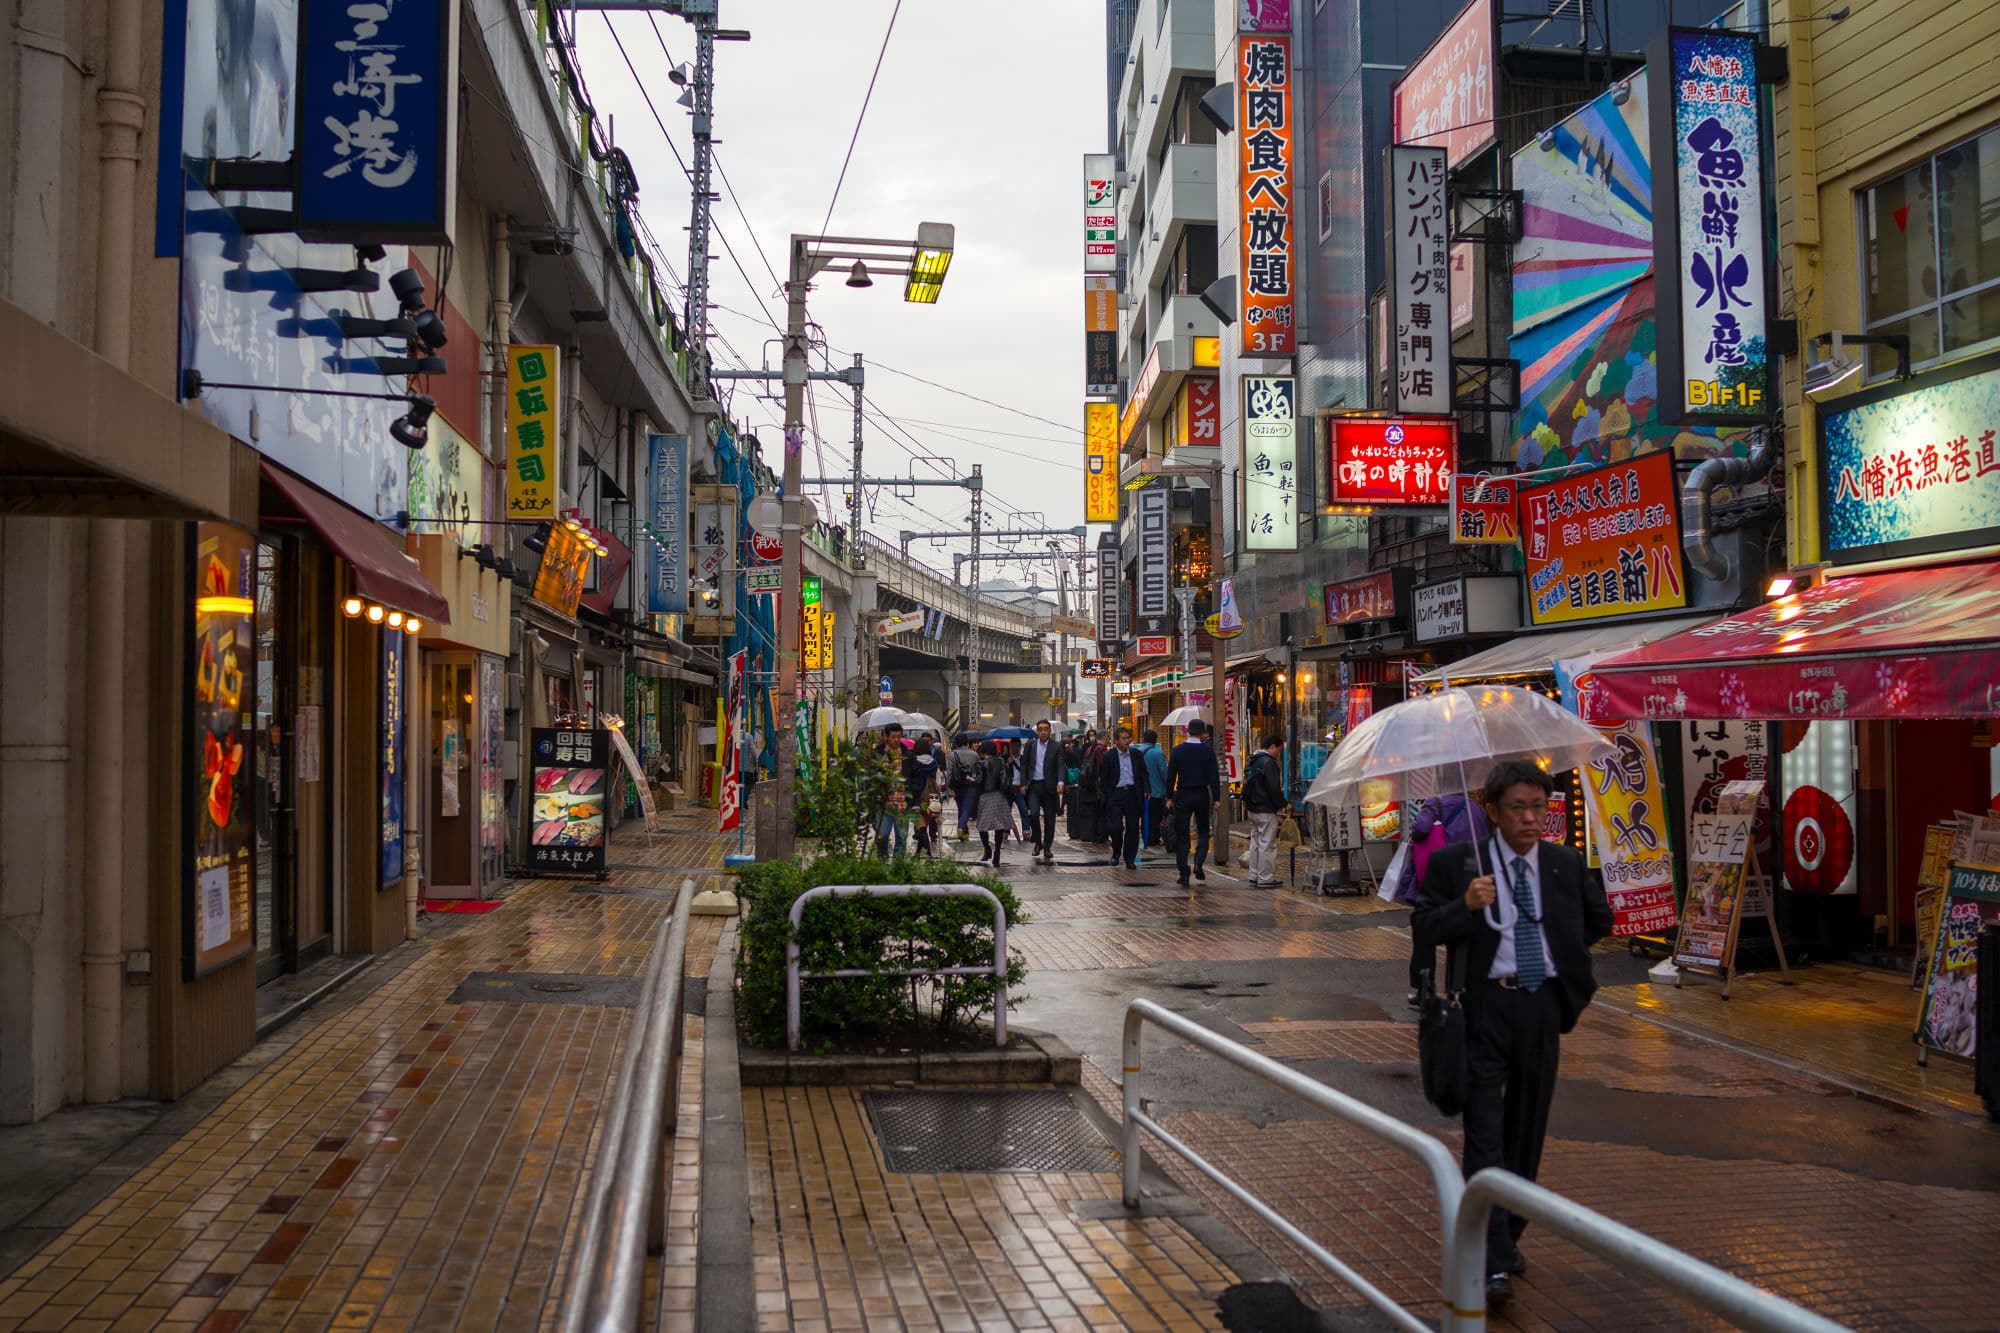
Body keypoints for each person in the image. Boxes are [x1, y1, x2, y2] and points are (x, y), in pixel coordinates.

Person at [1412, 760, 1613, 1306]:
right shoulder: (1461, 865)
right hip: (1483, 1010)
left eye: (1538, 807)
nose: (1530, 818)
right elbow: (1425, 927)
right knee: (1485, 1133)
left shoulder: (1564, 864)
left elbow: (1599, 921)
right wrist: (1465, 905)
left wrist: (1566, 971)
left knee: (1528, 1132)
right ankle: (1492, 1258)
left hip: (1541, 1009)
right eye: (1518, 808)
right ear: (1493, 811)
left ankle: (1507, 1234)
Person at [1396, 792, 1489, 1006]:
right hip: (1471, 876)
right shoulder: (1478, 809)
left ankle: (1424, 988)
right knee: (1462, 933)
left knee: (1425, 936)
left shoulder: (1434, 804)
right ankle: (1459, 988)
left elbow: (1419, 831)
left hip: (1439, 878)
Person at [1165, 718, 1222, 886]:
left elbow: (1170, 776)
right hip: (1202, 794)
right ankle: (1198, 863)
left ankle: (1183, 872)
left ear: (1187, 731)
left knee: (1182, 834)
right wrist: (1217, 798)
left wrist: (1169, 797)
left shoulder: (1178, 750)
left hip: (1182, 794)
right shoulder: (1207, 751)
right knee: (1203, 830)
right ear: (1203, 733)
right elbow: (1214, 776)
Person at [1016, 720, 1066, 863]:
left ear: (1050, 731)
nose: (1043, 732)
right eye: (1040, 729)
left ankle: (1048, 846)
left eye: (1045, 729)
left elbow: (1061, 765)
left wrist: (1060, 782)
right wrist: (1023, 784)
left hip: (1049, 787)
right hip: (1034, 787)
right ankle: (1038, 841)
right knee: (1034, 814)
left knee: (1050, 819)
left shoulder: (1056, 746)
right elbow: (1024, 765)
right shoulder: (1030, 746)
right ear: (1037, 731)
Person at [1242, 734, 1287, 887]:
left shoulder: (1253, 760)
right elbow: (1273, 788)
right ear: (1272, 746)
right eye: (1279, 750)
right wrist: (1282, 803)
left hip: (1252, 808)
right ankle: (1265, 877)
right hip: (1265, 809)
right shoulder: (1269, 763)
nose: (1279, 754)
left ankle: (1254, 875)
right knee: (1267, 844)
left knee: (1255, 843)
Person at [1097, 727, 1145, 869]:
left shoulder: (1137, 755)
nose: (1127, 741)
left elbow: (1143, 774)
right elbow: (1104, 778)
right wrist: (1108, 795)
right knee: (1116, 827)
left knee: (1133, 828)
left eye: (1128, 738)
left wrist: (1146, 789)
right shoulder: (1109, 756)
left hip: (1132, 794)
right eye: (1123, 738)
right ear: (1116, 741)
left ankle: (1130, 858)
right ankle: (1116, 851)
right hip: (1116, 794)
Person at [972, 739, 1016, 866]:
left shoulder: (980, 764)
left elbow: (979, 781)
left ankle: (987, 849)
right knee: (999, 826)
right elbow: (1003, 780)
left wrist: (971, 780)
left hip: (985, 797)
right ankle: (997, 852)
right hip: (999, 796)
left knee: (982, 825)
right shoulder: (1001, 761)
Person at [902, 735, 941, 856]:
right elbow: (939, 781)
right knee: (924, 824)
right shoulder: (934, 762)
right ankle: (919, 853)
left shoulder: (914, 762)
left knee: (921, 825)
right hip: (932, 796)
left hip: (918, 795)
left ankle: (928, 852)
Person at [872, 724, 907, 857]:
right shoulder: (878, 754)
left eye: (899, 736)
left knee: (902, 838)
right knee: (882, 835)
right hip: (884, 804)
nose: (897, 740)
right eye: (893, 737)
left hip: (902, 804)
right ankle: (882, 864)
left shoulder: (907, 754)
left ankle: (899, 869)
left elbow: (914, 777)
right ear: (887, 737)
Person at [1135, 730, 1170, 847]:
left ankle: (1145, 838)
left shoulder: (1136, 752)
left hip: (1139, 791)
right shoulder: (1158, 753)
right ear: (1155, 740)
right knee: (1155, 817)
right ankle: (1153, 839)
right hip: (1156, 791)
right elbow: (1164, 773)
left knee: (1144, 816)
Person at [946, 733, 981, 841]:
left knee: (961, 808)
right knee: (967, 809)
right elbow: (978, 771)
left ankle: (964, 834)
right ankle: (961, 828)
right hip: (970, 786)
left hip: (957, 786)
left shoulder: (952, 755)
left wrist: (949, 788)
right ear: (967, 742)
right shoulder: (974, 755)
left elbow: (949, 772)